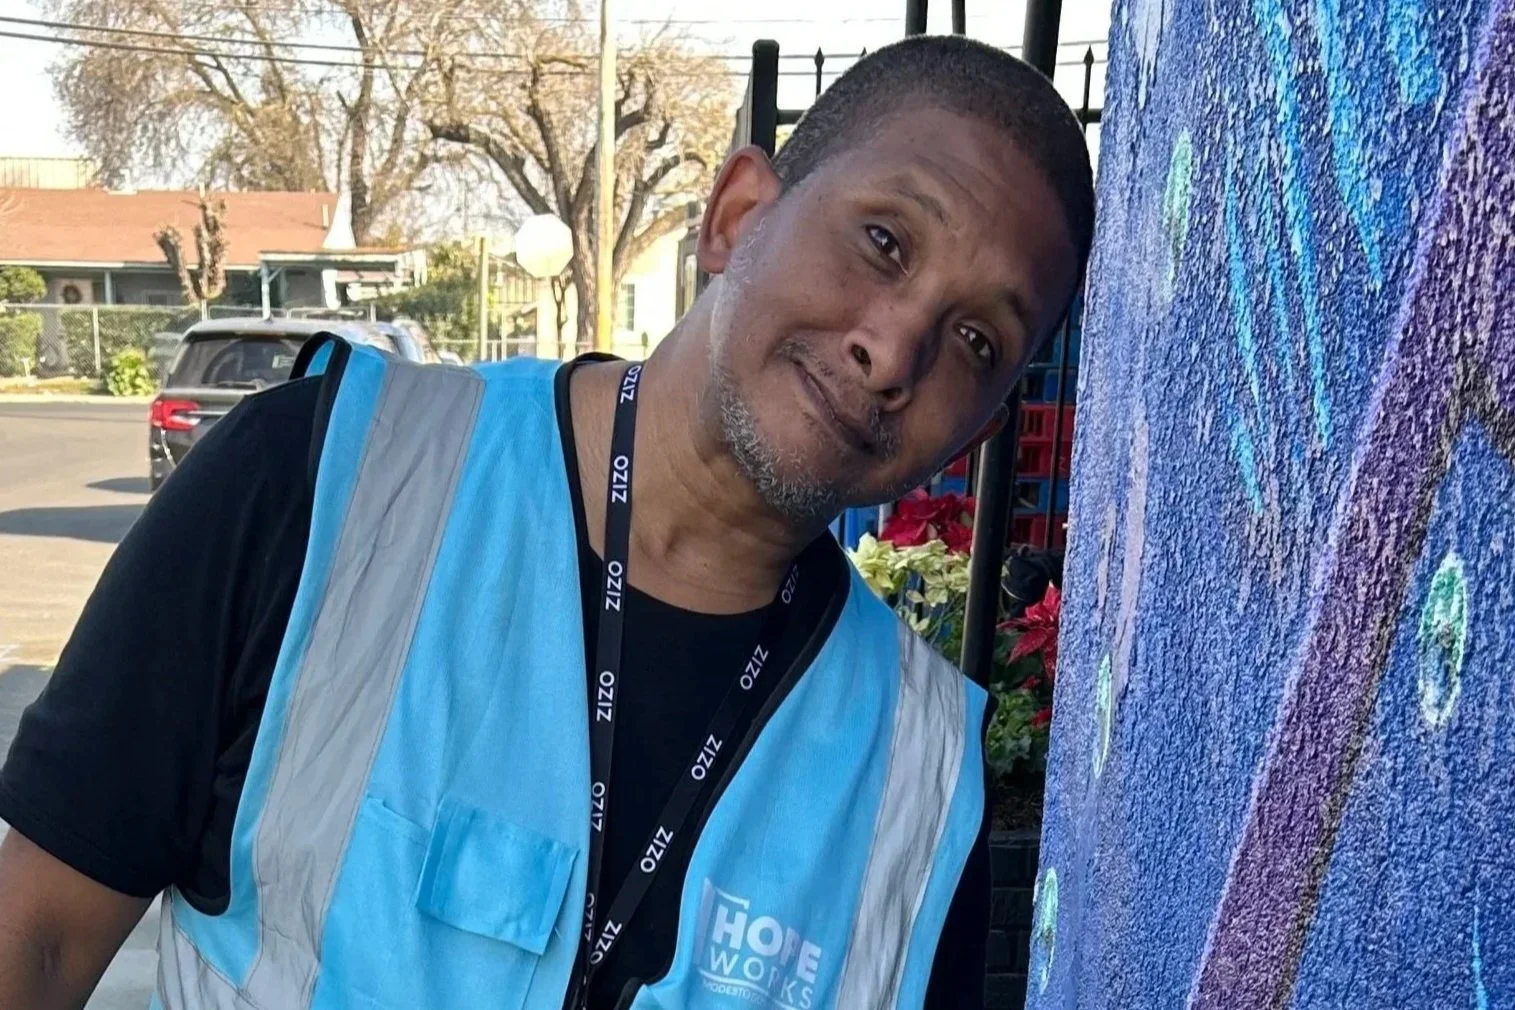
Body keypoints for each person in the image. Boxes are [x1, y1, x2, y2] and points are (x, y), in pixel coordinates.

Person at [0, 34, 1092, 1010]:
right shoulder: (321, 480)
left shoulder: (919, 780)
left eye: (977, 341)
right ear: (737, 216)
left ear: (985, 425)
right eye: (885, 242)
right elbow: (37, 940)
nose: (893, 350)